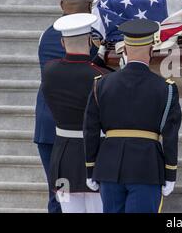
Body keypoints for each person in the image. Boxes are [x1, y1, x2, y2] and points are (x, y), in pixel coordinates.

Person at [83, 19, 181, 213]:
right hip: (147, 168)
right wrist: (170, 172)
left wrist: (90, 168)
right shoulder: (166, 88)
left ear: (124, 50)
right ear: (152, 51)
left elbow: (90, 129)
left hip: (109, 166)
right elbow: (170, 135)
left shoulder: (101, 84)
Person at [34, 0, 100, 213]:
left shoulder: (46, 35)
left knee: (60, 196)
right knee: (89, 197)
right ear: (91, 5)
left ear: (62, 4)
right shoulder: (92, 39)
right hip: (80, 130)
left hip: (48, 126)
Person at [41, 13, 110, 213]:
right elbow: (89, 71)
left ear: (62, 42)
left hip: (63, 162)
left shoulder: (49, 71)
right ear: (90, 41)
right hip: (95, 159)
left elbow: (73, 69)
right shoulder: (103, 77)